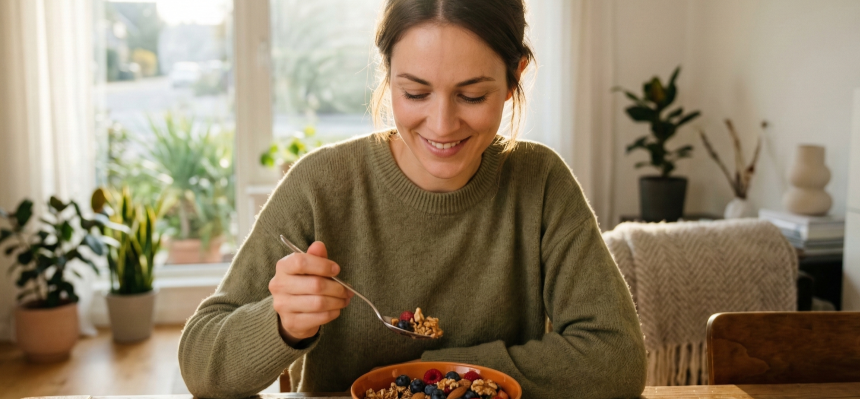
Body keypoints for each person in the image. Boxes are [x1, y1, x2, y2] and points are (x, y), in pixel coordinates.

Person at [178, 0, 647, 397]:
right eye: (415, 92)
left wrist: (438, 377)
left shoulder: (540, 182)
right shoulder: (321, 184)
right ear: (388, 75)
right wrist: (280, 324)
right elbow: (200, 361)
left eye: (472, 95)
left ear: (512, 79)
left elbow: (615, 357)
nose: (442, 125)